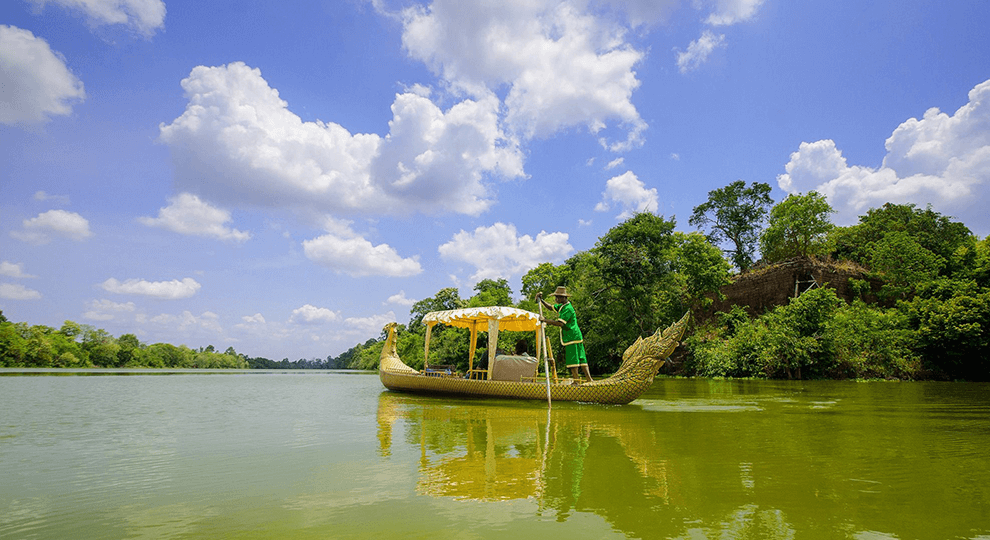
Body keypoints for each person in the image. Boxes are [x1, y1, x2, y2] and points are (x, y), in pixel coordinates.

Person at [537, 286, 593, 383]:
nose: (556, 299)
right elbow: (551, 307)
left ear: (563, 298)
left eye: (557, 297)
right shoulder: (563, 306)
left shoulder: (568, 308)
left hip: (571, 337)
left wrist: (545, 320)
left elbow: (560, 323)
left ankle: (577, 381)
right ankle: (589, 380)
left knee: (574, 359)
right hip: (576, 336)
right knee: (581, 357)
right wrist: (541, 300)